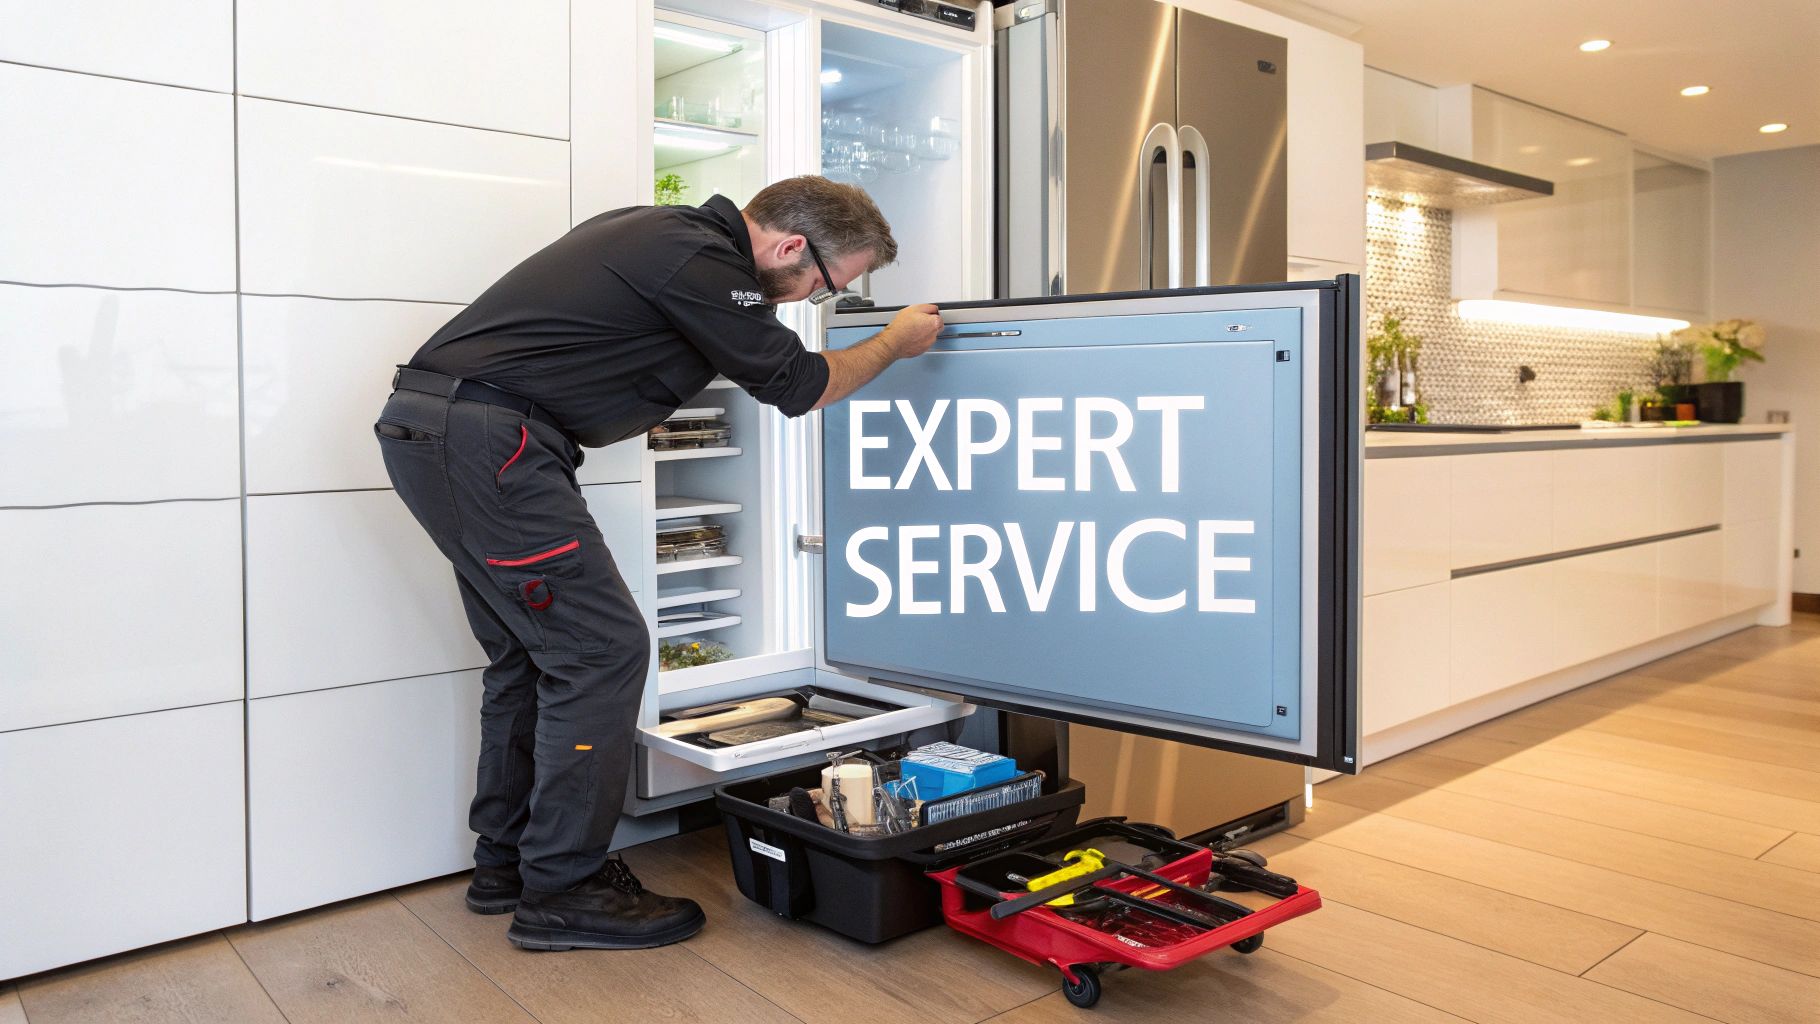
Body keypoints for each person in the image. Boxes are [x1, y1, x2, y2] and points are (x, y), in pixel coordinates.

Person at [373, 176, 942, 951]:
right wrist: (895, 341)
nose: (812, 299)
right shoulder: (701, 262)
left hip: (451, 432)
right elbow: (802, 386)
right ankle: (564, 891)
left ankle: (507, 867)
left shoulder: (665, 235)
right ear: (788, 246)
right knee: (601, 651)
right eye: (822, 283)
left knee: (531, 660)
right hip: (488, 441)